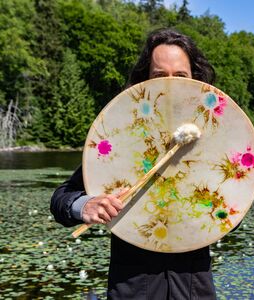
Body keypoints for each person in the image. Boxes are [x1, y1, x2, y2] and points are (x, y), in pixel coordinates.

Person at [51, 28, 217, 300]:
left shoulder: (213, 140)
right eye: (159, 76)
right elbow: (61, 199)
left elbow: (231, 207)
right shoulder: (120, 137)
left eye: (181, 76)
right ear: (144, 80)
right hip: (133, 290)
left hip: (194, 291)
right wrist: (85, 205)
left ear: (196, 80)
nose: (170, 84)